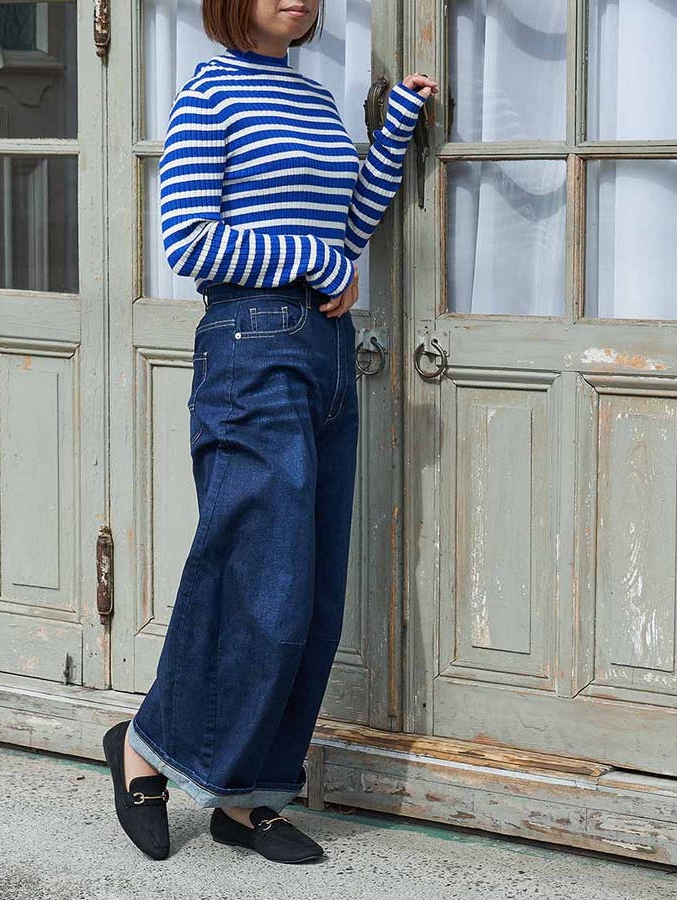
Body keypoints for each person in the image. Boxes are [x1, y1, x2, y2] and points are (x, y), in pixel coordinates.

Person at [102, 0, 436, 864]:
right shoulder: (208, 93)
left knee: (313, 592)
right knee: (259, 578)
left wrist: (395, 127)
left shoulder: (314, 100)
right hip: (249, 347)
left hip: (327, 354)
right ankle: (143, 744)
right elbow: (189, 241)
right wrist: (315, 261)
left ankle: (253, 796)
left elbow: (346, 228)